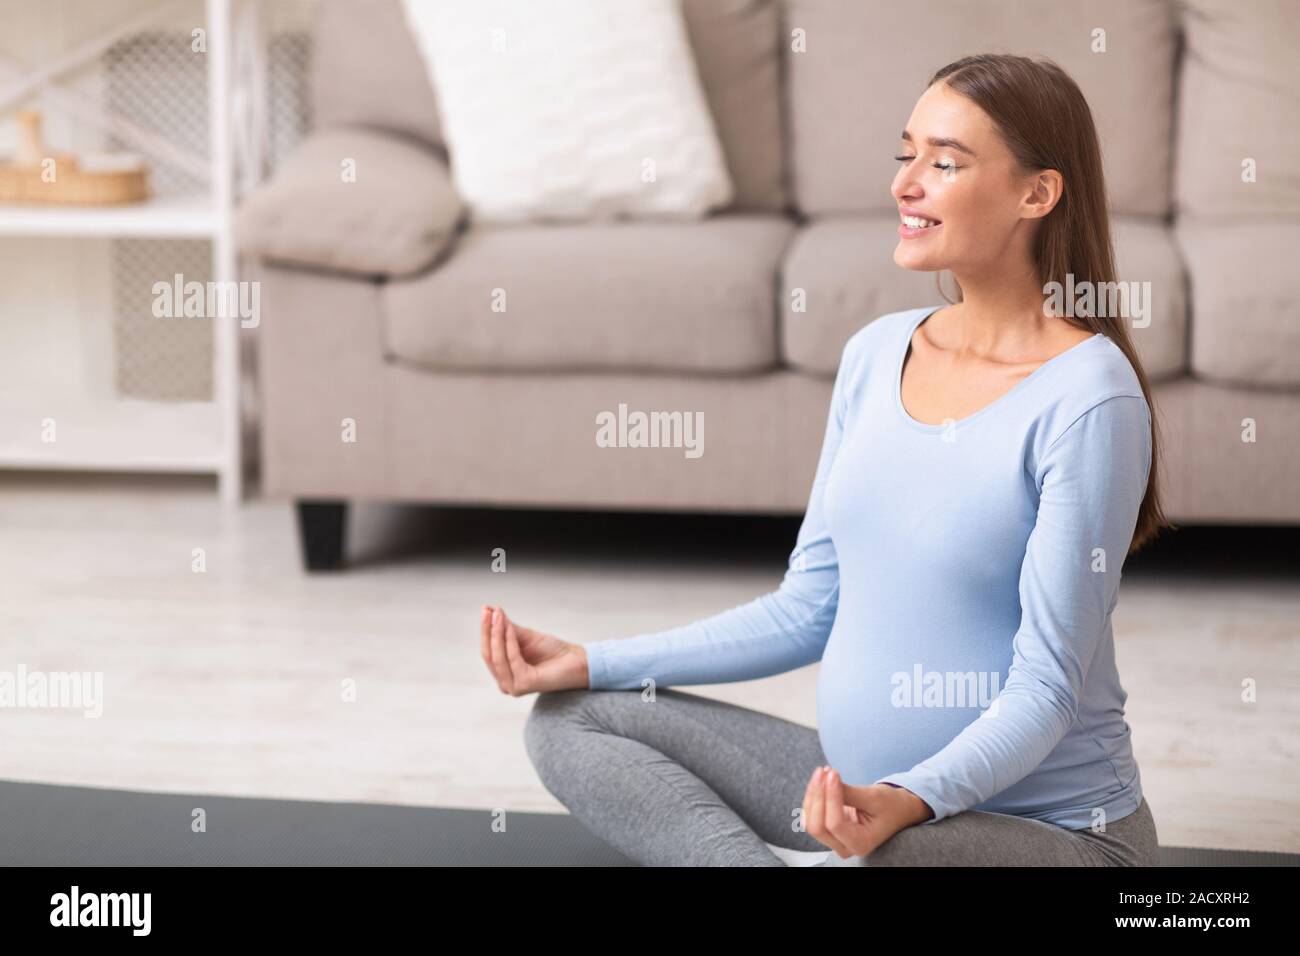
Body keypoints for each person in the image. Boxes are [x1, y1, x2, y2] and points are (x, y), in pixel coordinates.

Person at [481, 53, 1172, 867]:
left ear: (1037, 193)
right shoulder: (875, 354)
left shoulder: (1088, 395)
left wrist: (905, 804)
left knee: (890, 860)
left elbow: (1048, 690)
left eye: (944, 162)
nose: (905, 185)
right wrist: (594, 660)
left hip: (1043, 835)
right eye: (904, 154)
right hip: (860, 799)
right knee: (574, 717)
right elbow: (808, 607)